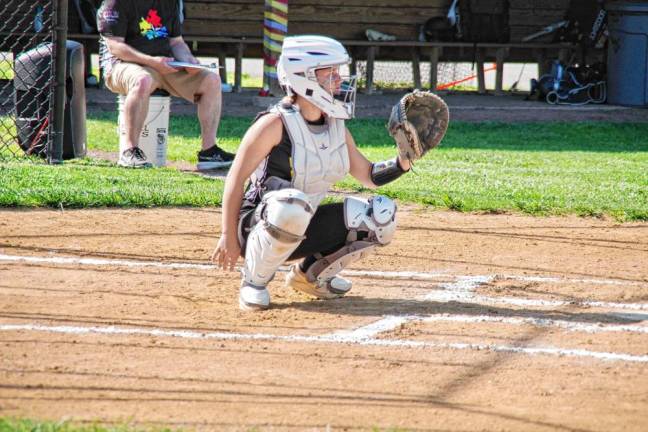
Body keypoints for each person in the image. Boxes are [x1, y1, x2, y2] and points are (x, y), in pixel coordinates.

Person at [211, 35, 421, 311]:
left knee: (380, 217)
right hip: (256, 226)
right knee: (291, 204)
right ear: (303, 77)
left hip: (300, 220)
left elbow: (368, 175)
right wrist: (227, 234)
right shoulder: (274, 123)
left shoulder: (335, 125)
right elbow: (235, 180)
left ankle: (310, 277)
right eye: (330, 72)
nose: (339, 79)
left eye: (339, 71)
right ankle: (253, 282)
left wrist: (404, 160)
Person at [96, 0, 234, 169]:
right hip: (121, 64)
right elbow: (115, 46)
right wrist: (152, 62)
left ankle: (209, 151)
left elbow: (176, 42)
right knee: (142, 80)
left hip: (163, 64)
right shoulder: (115, 3)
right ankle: (129, 151)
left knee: (211, 80)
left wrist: (189, 61)